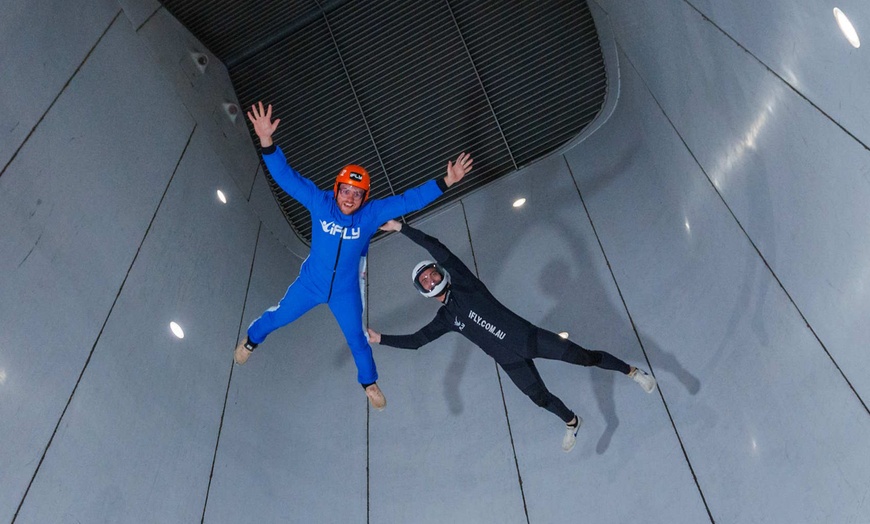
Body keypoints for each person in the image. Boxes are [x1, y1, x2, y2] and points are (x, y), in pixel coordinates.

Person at [235, 102, 473, 412]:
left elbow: (408, 199)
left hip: (345, 291)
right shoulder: (320, 203)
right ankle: (251, 341)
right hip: (311, 284)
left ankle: (369, 383)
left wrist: (446, 182)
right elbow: (287, 178)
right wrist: (266, 141)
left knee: (358, 339)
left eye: (357, 193)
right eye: (345, 190)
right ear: (336, 190)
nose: (350, 198)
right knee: (278, 317)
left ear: (365, 197)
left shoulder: (371, 214)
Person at [367, 220, 656, 452]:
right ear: (423, 289)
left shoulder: (467, 286)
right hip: (509, 360)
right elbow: (417, 341)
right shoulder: (446, 318)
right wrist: (381, 339)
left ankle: (632, 372)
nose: (430, 278)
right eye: (424, 280)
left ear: (439, 272)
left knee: (586, 358)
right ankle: (572, 421)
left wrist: (401, 228)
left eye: (430, 272)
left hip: (531, 338)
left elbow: (440, 250)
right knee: (539, 398)